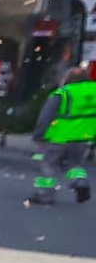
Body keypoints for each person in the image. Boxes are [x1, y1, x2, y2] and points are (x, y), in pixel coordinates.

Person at [29, 66, 96, 205]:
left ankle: (45, 195)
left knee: (47, 164)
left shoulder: (63, 93)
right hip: (82, 137)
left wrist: (38, 134)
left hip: (57, 137)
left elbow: (45, 117)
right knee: (73, 163)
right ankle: (80, 181)